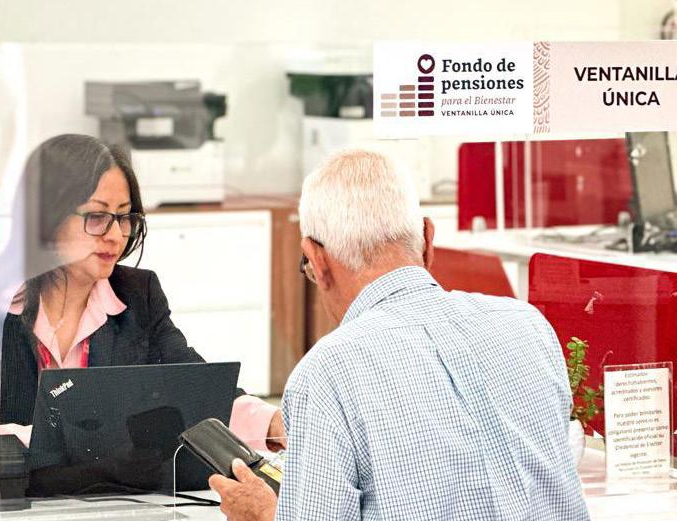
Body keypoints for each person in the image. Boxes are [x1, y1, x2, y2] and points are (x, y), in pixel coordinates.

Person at [209, 149, 589, 521]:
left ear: (318, 260)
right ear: (427, 239)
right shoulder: (527, 325)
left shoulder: (329, 372)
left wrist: (262, 514)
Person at [0, 134, 282, 453]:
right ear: (47, 218)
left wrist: (273, 424)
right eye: (97, 217)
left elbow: (195, 387)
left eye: (124, 217)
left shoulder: (137, 295)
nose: (116, 236)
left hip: (112, 482)